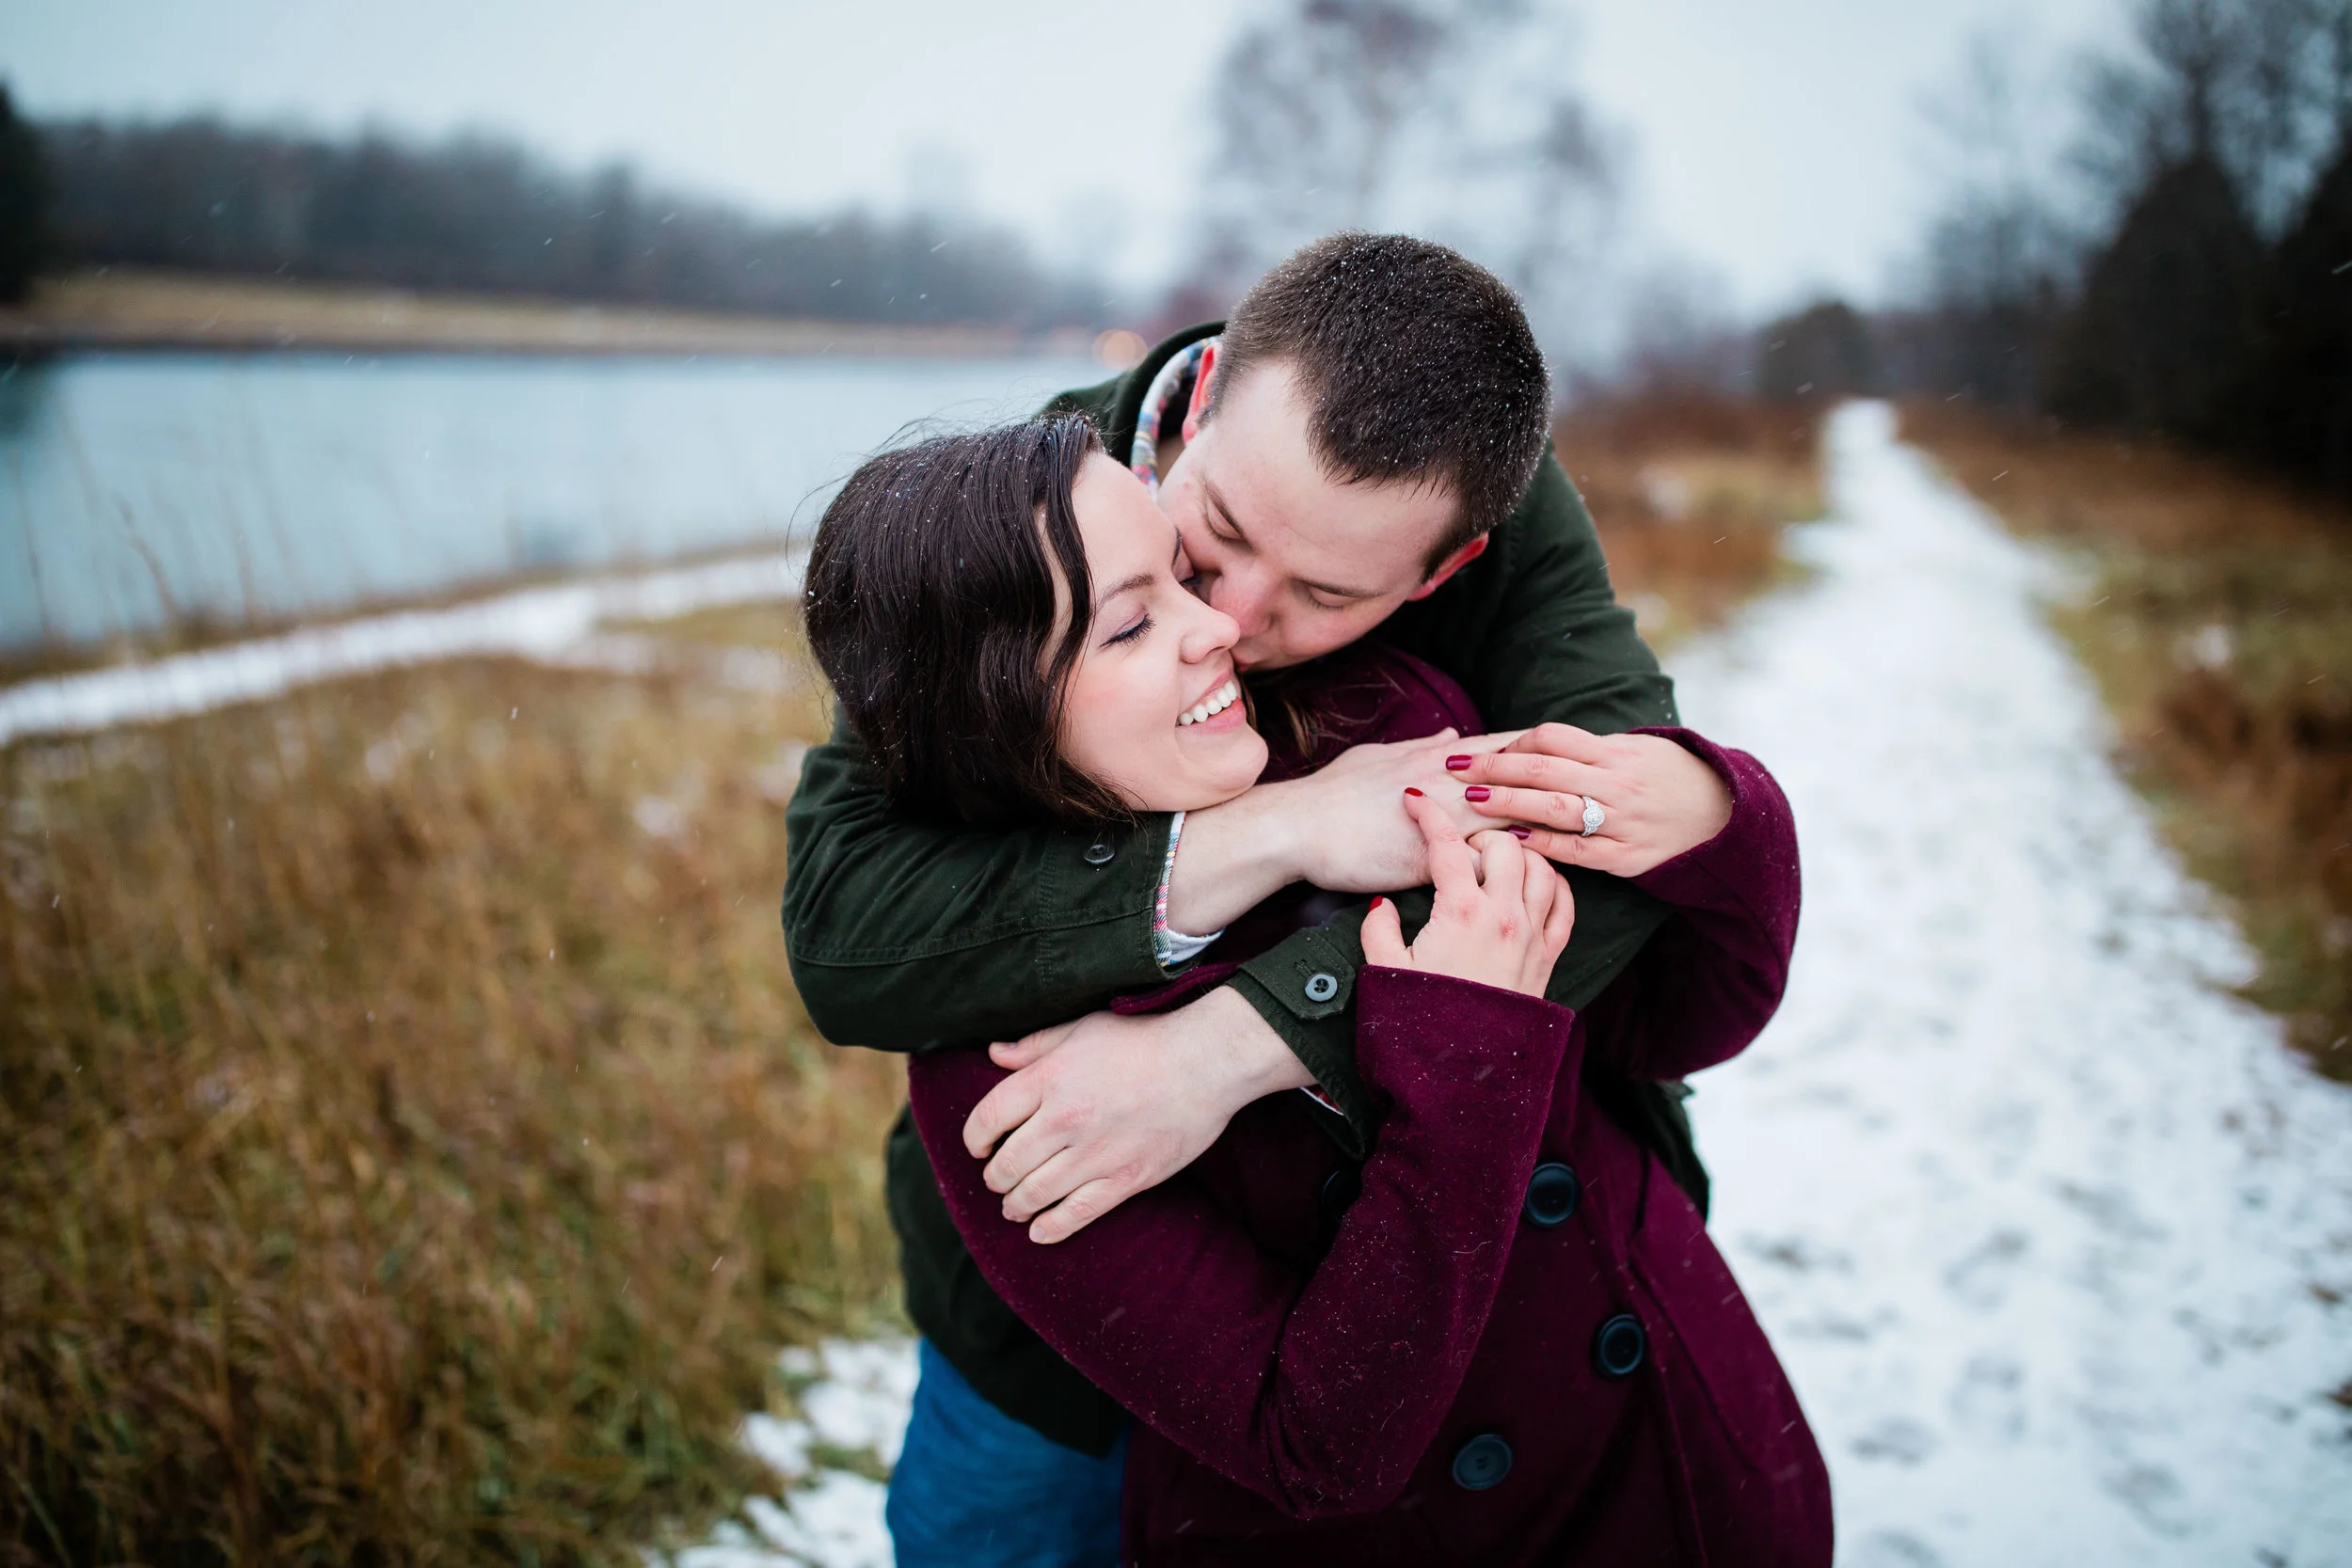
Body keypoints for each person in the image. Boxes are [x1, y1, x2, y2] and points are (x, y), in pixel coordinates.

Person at [783, 234, 1706, 1558]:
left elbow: (1613, 821)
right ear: (1202, 395)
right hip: (1059, 1296)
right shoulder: (1022, 515)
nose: (1237, 618)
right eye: (1212, 536)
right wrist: (1282, 830)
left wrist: (1238, 1044)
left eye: (1326, 593)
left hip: (1403, 1299)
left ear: (1442, 566)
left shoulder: (1489, 493)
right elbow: (844, 926)